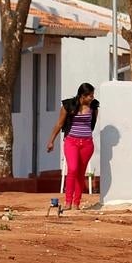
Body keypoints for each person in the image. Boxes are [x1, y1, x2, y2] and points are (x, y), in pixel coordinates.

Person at [47, 82, 99, 210]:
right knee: (73, 169)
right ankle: (68, 201)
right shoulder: (68, 105)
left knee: (81, 173)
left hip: (86, 143)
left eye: (93, 95)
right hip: (71, 141)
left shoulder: (93, 107)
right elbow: (59, 124)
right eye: (90, 96)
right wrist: (51, 141)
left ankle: (76, 203)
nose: (92, 98)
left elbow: (92, 124)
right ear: (82, 95)